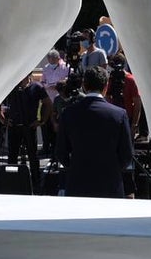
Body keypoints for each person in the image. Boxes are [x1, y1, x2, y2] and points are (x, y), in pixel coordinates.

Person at [54, 65, 134, 198]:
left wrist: (75, 166)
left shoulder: (68, 113)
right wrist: (111, 169)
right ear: (106, 86)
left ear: (84, 86)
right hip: (110, 185)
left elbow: (61, 152)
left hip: (78, 183)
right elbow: (126, 155)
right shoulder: (119, 114)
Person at [0, 74, 47, 191]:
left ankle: (36, 183)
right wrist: (3, 119)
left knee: (33, 156)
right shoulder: (11, 87)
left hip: (29, 127)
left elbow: (47, 103)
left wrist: (42, 121)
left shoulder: (37, 87)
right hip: (14, 127)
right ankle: (11, 182)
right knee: (12, 156)